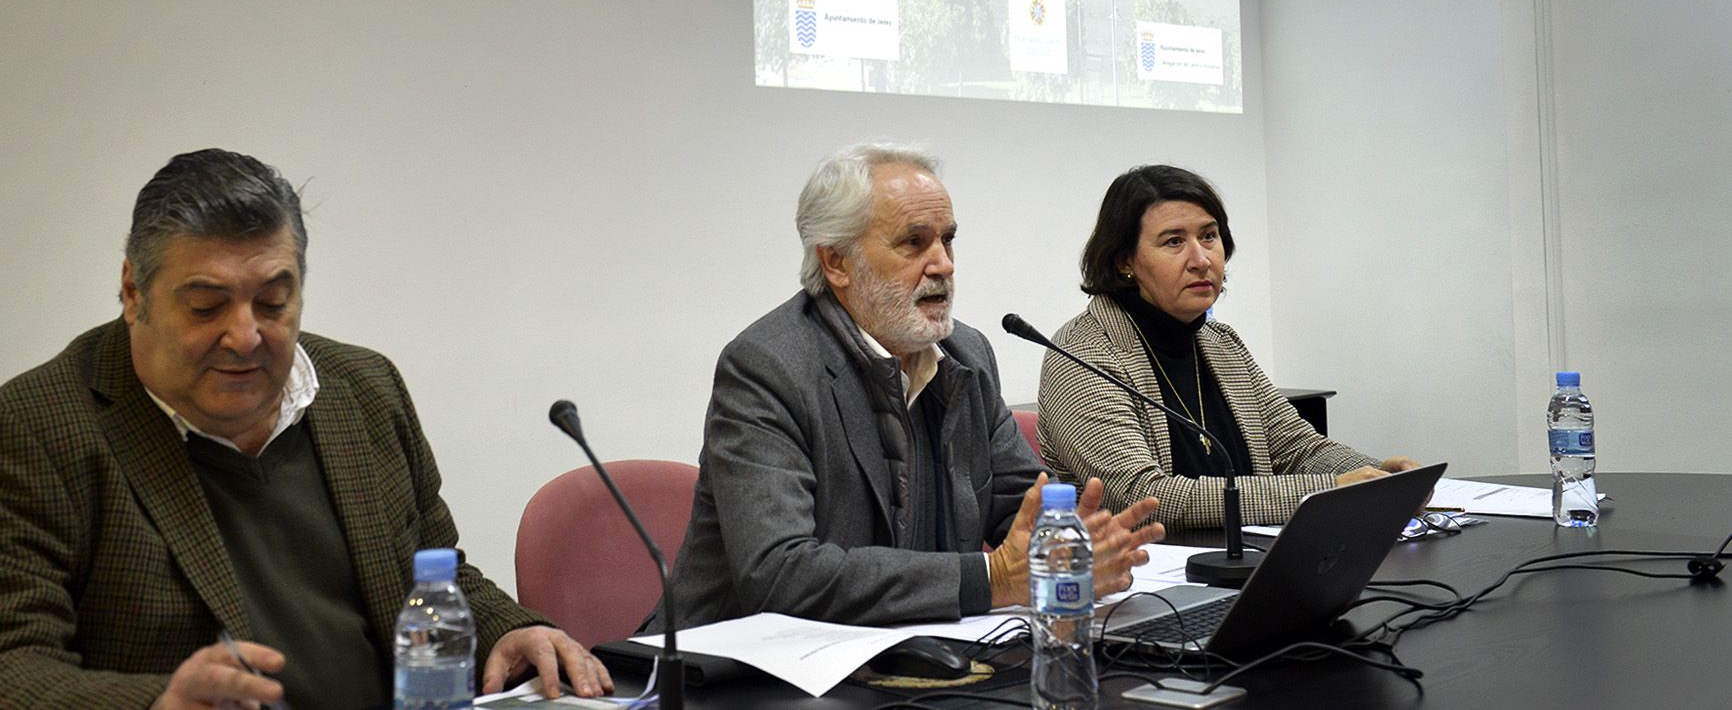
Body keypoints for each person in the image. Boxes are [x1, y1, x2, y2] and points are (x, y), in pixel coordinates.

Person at [0, 149, 611, 709]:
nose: (244, 336)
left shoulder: (364, 390)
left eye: (272, 303)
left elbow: (438, 574)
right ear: (134, 292)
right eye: (206, 306)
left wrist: (512, 629)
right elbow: (14, 665)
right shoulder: (37, 428)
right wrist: (156, 704)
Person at [655, 143, 1164, 629]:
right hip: (737, 671)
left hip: (913, 649)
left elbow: (1017, 502)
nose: (943, 263)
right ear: (836, 263)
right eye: (913, 242)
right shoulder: (769, 367)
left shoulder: (966, 354)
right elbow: (779, 572)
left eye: (948, 239)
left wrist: (1074, 542)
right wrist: (989, 579)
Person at [1037, 165, 1421, 530]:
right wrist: (1326, 492)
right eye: (1174, 242)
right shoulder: (1083, 355)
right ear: (1125, 261)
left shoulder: (1221, 344)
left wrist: (1383, 477)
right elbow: (1140, 496)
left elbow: (1296, 450)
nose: (1202, 260)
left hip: (1253, 559)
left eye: (1209, 236)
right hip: (1150, 579)